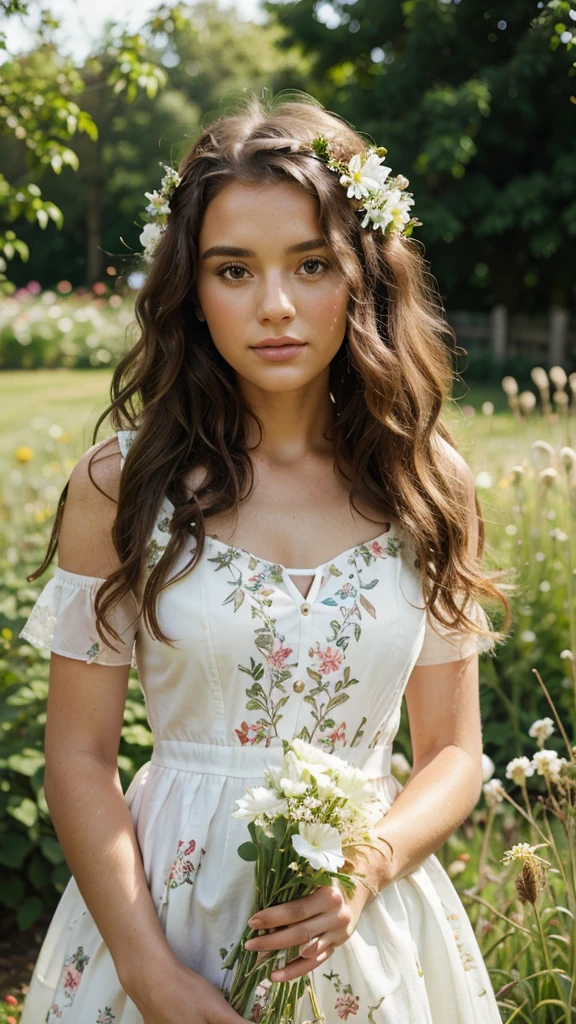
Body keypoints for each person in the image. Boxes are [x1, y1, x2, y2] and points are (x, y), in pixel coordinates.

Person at [18, 92, 511, 1024]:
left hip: (365, 933)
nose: (275, 306)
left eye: (312, 265)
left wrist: (371, 864)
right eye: (234, 269)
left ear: (363, 276)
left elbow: (451, 752)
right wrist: (147, 972)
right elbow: (79, 755)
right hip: (161, 915)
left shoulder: (427, 481)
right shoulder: (123, 486)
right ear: (191, 291)